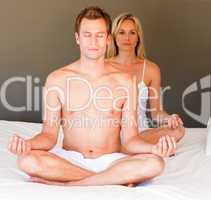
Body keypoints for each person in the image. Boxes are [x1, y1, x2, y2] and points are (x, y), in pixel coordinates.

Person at [8, 7, 176, 187]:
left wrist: (154, 149)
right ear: (77, 38)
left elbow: (129, 141)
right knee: (26, 160)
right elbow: (49, 135)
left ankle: (70, 183)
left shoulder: (126, 82)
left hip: (111, 160)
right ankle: (108, 179)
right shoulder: (57, 79)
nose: (93, 42)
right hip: (70, 159)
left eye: (99, 35)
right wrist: (28, 144)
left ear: (108, 39)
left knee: (155, 163)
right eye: (87, 34)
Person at [106, 13, 185, 144]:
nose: (127, 38)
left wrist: (169, 118)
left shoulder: (150, 69)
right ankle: (127, 145)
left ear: (138, 37)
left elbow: (156, 113)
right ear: (114, 36)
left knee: (179, 130)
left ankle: (127, 145)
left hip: (140, 131)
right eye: (121, 32)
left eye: (132, 32)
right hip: (110, 132)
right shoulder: (104, 66)